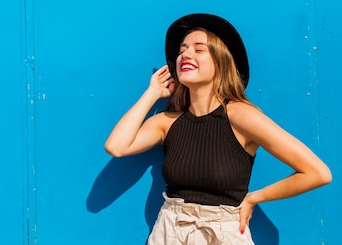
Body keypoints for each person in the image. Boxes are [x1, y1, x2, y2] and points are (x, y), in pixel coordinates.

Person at [104, 13, 332, 244]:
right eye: (182, 50)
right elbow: (116, 146)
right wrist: (152, 93)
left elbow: (317, 173)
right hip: (170, 230)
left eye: (198, 49)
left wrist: (254, 198)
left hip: (224, 233)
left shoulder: (242, 116)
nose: (185, 54)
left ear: (221, 61)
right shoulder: (167, 122)